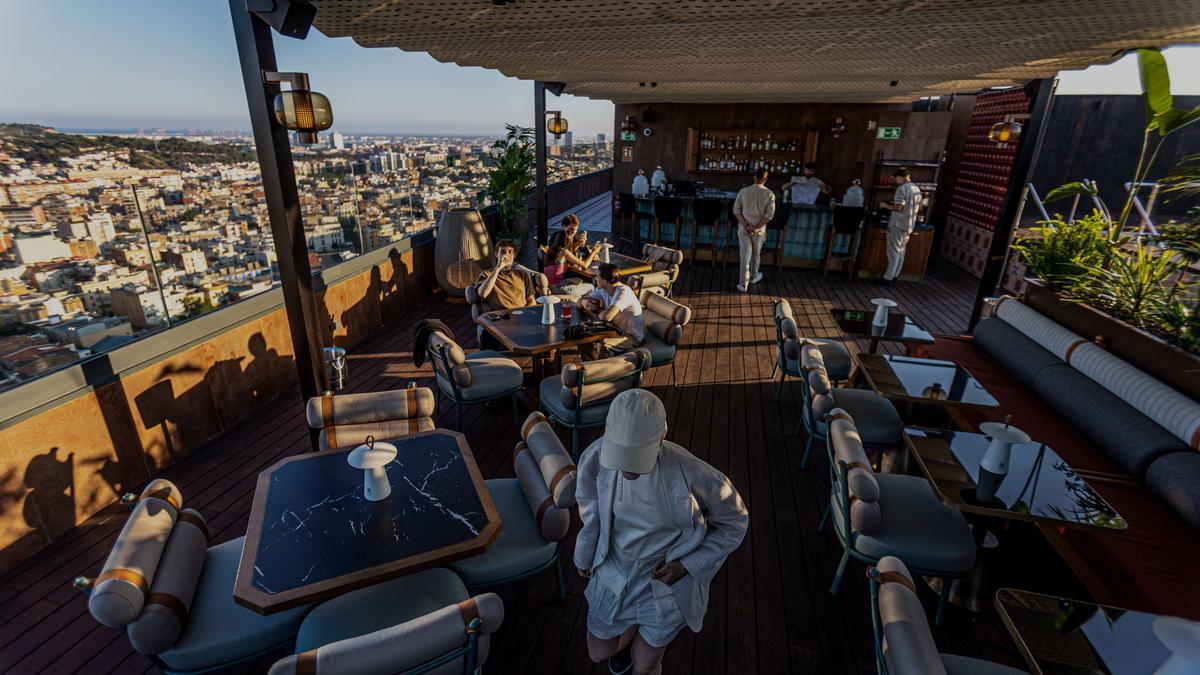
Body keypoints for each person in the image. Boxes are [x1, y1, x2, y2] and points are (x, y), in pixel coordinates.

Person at [576, 389, 749, 675]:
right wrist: (585, 553)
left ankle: (640, 645)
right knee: (598, 652)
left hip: (663, 583)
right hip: (616, 569)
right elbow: (590, 509)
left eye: (637, 457)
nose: (628, 468)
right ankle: (631, 633)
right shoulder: (594, 458)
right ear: (607, 432)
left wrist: (687, 565)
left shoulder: (691, 471)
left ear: (661, 437)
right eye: (621, 454)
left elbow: (735, 519)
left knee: (645, 665)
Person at [578, 263, 644, 360]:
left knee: (604, 346)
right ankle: (591, 368)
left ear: (604, 281)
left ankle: (605, 373)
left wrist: (601, 313)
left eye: (597, 277)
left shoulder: (624, 292)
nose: (595, 279)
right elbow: (579, 300)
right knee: (582, 337)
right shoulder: (603, 289)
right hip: (615, 330)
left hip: (632, 336)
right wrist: (584, 303)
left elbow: (606, 317)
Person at [876, 167, 925, 285]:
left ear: (901, 177)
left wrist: (884, 206)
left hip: (897, 224)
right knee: (901, 252)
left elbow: (899, 207)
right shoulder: (916, 189)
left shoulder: (902, 189)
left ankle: (887, 278)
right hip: (909, 225)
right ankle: (895, 275)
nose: (895, 181)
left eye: (896, 178)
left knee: (892, 252)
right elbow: (919, 207)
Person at [732, 167, 775, 292]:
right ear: (766, 179)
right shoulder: (770, 194)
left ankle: (743, 284)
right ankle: (754, 276)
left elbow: (736, 211)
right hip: (759, 230)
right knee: (756, 255)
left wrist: (746, 225)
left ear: (754, 177)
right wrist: (756, 227)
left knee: (745, 256)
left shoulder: (743, 191)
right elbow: (769, 216)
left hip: (744, 229)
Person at [475, 239, 536, 309]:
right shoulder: (487, 274)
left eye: (510, 252)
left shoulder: (522, 274)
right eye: (503, 252)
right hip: (503, 315)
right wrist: (498, 268)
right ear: (496, 254)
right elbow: (482, 294)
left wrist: (527, 313)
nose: (506, 255)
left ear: (514, 255)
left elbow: (531, 300)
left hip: (521, 313)